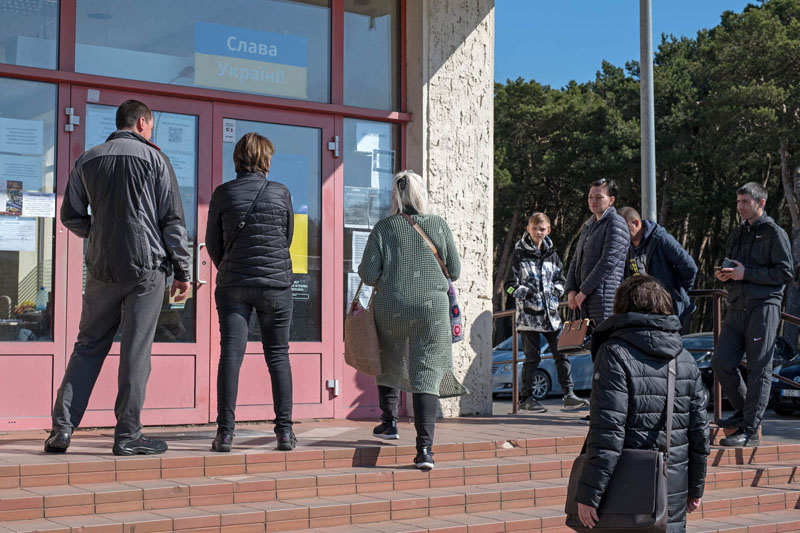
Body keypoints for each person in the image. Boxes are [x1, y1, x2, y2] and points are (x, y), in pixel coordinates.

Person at [47, 100, 191, 455]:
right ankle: (128, 435)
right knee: (135, 352)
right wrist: (183, 270)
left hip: (101, 268)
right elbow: (172, 220)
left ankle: (62, 429)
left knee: (87, 346)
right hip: (146, 269)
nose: (151, 131)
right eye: (151, 125)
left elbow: (70, 215)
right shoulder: (156, 159)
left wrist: (99, 234)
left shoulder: (87, 159)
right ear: (142, 123)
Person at [575, 275, 709, 532]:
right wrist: (696, 488)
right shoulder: (686, 359)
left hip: (626, 489)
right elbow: (700, 435)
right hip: (673, 486)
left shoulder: (615, 353)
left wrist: (590, 493)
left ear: (622, 307)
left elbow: (608, 432)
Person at [359, 170, 466, 471]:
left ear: (395, 195)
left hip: (392, 307)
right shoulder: (438, 224)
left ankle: (389, 422)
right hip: (432, 309)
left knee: (389, 358)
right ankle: (424, 451)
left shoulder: (384, 227)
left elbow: (368, 274)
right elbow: (455, 270)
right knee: (426, 373)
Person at [205, 132, 296, 452]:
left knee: (231, 355)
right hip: (275, 286)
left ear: (237, 159)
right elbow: (287, 237)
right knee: (278, 355)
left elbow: (213, 243)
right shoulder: (281, 192)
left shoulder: (223, 193)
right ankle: (284, 432)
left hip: (234, 286)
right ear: (266, 160)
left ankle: (224, 434)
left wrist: (231, 266)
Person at [711, 182, 793, 447]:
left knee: (759, 369)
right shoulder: (737, 233)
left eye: (745, 201)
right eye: (738, 202)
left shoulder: (774, 233)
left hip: (763, 308)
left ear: (761, 203)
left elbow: (785, 273)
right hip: (737, 306)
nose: (740, 207)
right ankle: (745, 412)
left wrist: (747, 274)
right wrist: (725, 274)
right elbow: (733, 266)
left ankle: (749, 429)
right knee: (721, 362)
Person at [504, 212, 589, 412]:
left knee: (562, 353)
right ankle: (526, 399)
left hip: (551, 316)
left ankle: (569, 395)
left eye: (542, 229)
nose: (538, 232)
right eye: (534, 229)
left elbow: (561, 280)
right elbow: (509, 286)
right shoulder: (518, 255)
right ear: (528, 229)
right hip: (528, 318)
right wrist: (528, 294)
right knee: (532, 358)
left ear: (548, 230)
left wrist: (555, 293)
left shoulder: (553, 255)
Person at [618, 206, 698, 329]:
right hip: (642, 313)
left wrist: (677, 292)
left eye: (624, 229)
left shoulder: (661, 239)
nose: (620, 234)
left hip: (668, 312)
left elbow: (689, 267)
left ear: (636, 223)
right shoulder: (626, 248)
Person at [566, 178, 629, 324]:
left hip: (603, 301)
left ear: (611, 200)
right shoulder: (588, 225)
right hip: (582, 301)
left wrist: (583, 291)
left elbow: (608, 262)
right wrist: (570, 290)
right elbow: (575, 260)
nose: (593, 201)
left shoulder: (615, 223)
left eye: (599, 197)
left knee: (604, 337)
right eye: (590, 197)